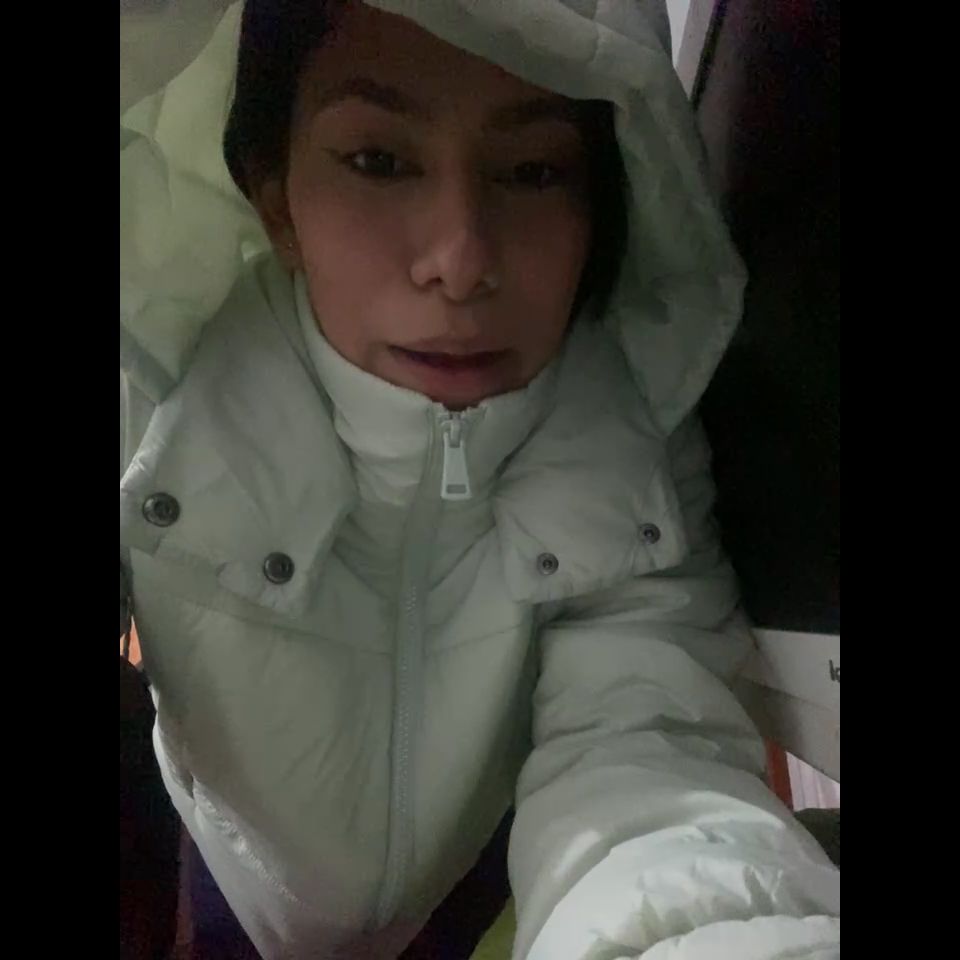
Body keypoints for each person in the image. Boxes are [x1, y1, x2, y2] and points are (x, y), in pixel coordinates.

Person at [119, 1, 841, 957]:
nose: (460, 263)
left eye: (533, 172)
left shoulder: (634, 444)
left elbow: (647, 750)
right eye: (379, 160)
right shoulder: (153, 395)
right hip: (229, 866)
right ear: (277, 200)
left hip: (489, 878)